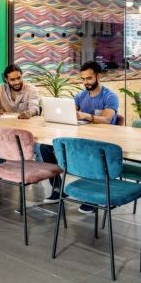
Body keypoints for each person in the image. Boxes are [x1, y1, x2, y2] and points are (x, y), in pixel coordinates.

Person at [39, 61, 120, 213]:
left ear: (98, 76)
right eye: (83, 79)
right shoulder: (80, 96)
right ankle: (58, 188)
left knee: (85, 154)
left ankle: (92, 197)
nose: (85, 82)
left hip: (102, 141)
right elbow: (70, 113)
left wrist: (86, 116)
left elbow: (107, 119)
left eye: (89, 78)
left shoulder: (110, 96)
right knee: (46, 148)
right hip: (82, 138)